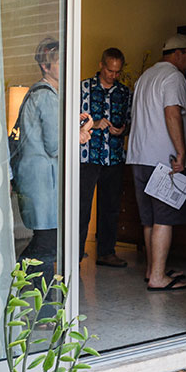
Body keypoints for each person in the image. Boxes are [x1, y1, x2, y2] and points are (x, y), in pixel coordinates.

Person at [126, 34, 186, 291]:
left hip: (138, 157)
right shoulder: (174, 77)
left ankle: (151, 270)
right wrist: (181, 152)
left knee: (149, 219)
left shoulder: (146, 76)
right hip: (162, 160)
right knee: (163, 219)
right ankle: (158, 277)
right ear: (180, 54)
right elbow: (171, 112)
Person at [11, 38, 63, 283]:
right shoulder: (47, 97)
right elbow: (55, 146)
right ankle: (36, 303)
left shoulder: (37, 93)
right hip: (43, 183)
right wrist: (80, 134)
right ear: (46, 66)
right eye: (59, 61)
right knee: (46, 244)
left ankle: (22, 290)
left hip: (35, 178)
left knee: (45, 241)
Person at [79, 47, 132, 266]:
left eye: (117, 72)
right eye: (110, 70)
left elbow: (130, 120)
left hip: (114, 157)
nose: (113, 75)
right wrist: (94, 124)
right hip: (88, 156)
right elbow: (70, 120)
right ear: (101, 65)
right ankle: (75, 252)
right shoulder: (83, 87)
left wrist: (123, 130)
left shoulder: (125, 92)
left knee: (110, 206)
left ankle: (106, 252)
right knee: (82, 206)